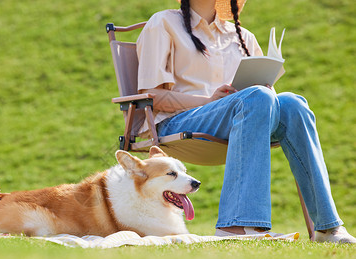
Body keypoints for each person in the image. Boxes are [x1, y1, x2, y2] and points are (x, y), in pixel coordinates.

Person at [136, 0, 355, 243]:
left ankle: (327, 227)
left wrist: (267, 91)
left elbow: (263, 100)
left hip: (241, 122)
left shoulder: (242, 36)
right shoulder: (164, 23)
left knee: (294, 104)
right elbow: (151, 96)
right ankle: (237, 225)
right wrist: (207, 100)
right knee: (257, 97)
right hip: (177, 123)